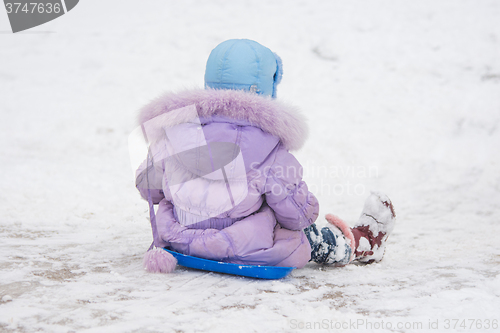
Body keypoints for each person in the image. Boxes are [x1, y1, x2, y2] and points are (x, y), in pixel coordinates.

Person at [135, 39, 396, 273]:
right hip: (246, 250)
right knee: (304, 234)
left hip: (178, 243)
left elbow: (149, 191)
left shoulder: (173, 133)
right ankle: (359, 243)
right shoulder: (268, 145)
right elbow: (298, 215)